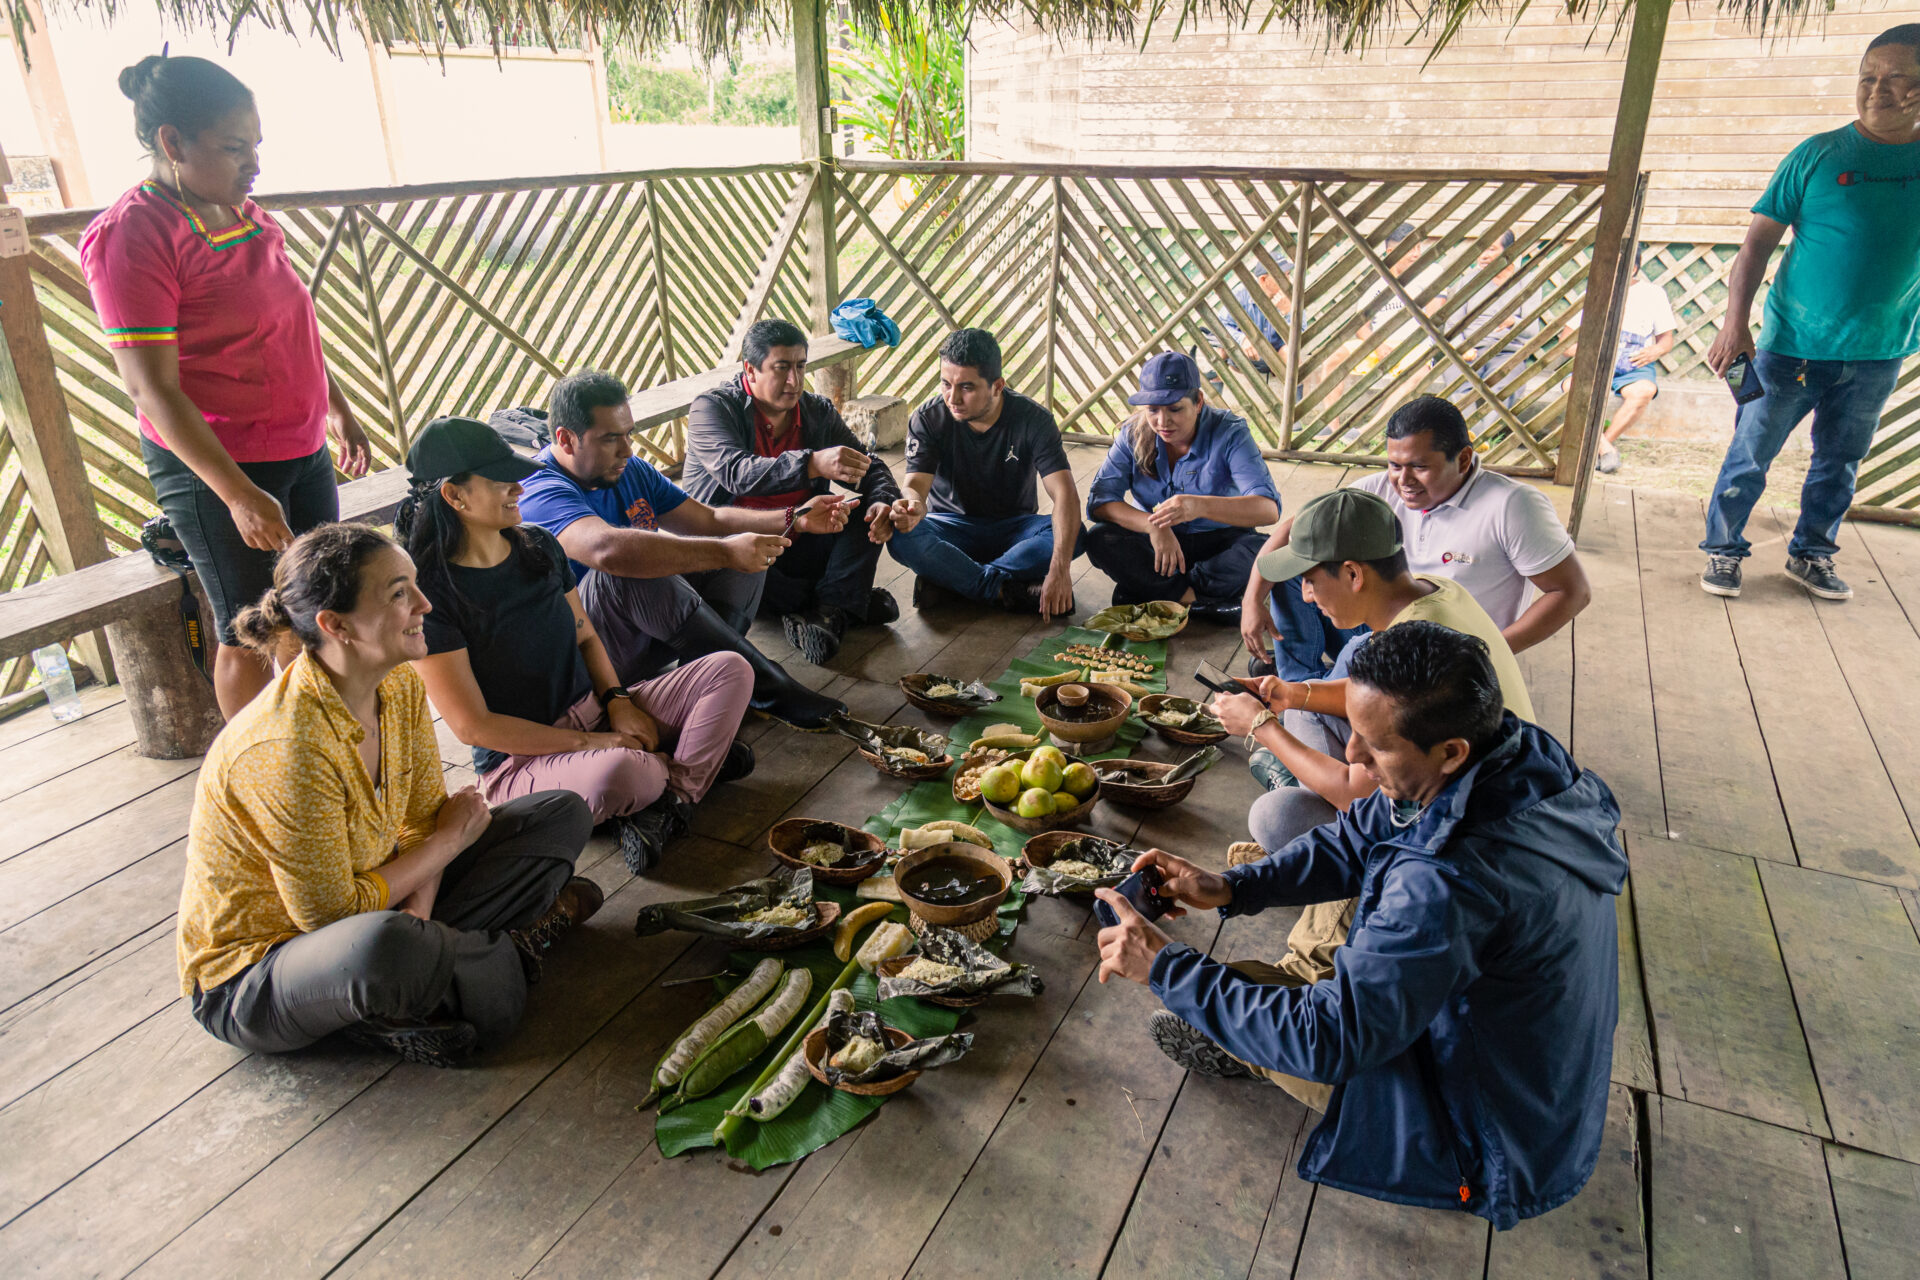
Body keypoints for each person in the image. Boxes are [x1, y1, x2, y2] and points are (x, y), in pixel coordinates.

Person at [1093, 621, 1626, 1230]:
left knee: (1250, 1011)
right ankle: (1268, 1006)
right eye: (1355, 731)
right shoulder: (1514, 754)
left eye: (1375, 746)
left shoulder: (1448, 881)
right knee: (1359, 880)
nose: (1352, 756)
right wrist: (1235, 887)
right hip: (1537, 1080)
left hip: (1488, 1141)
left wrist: (1168, 967)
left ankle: (1256, 1027)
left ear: (1449, 750)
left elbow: (1329, 1040)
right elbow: (1360, 834)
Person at [176, 522, 599, 1070]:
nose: (425, 603)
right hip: (264, 970)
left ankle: (443, 970)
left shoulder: (396, 684)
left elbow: (424, 823)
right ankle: (492, 957)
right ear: (336, 625)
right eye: (400, 593)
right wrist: (447, 847)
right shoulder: (287, 745)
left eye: (415, 585)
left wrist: (422, 914)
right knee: (393, 954)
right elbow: (329, 916)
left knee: (560, 812)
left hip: (383, 903)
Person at [81, 55, 373, 719]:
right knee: (251, 627)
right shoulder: (135, 235)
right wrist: (238, 494)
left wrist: (339, 408)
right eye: (235, 147)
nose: (254, 165)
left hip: (299, 444)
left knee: (319, 603)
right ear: (172, 143)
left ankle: (324, 749)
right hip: (219, 465)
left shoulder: (246, 215)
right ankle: (252, 776)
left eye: (256, 147)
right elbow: (150, 389)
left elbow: (289, 320)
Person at [398, 417, 756, 876]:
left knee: (730, 669)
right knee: (625, 772)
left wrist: (619, 702)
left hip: (596, 712)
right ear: (455, 496)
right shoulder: (433, 596)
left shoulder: (539, 547)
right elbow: (474, 728)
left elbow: (585, 634)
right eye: (501, 481)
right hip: (520, 761)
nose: (518, 489)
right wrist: (596, 742)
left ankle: (672, 800)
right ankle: (678, 769)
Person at [1213, 487, 1535, 986]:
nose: (1305, 596)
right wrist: (1289, 694)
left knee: (1278, 816)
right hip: (1474, 783)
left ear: (1353, 573)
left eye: (1309, 580)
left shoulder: (1415, 660)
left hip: (1457, 838)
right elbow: (1363, 695)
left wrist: (1260, 727)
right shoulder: (1434, 594)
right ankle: (1299, 854)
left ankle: (1312, 943)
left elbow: (1357, 797)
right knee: (1345, 668)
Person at [1700, 24, 1920, 603]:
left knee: (1840, 463)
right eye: (1868, 76)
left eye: (1897, 77)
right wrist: (1734, 322)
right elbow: (1755, 245)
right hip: (1788, 348)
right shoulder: (1818, 154)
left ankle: (1812, 555)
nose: (1877, 90)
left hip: (1879, 352)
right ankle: (1723, 551)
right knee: (1751, 451)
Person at [515, 370, 847, 729]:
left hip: (642, 640)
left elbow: (709, 520)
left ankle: (708, 681)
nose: (627, 449)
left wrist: (793, 518)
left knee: (748, 552)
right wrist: (723, 552)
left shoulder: (629, 469)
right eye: (611, 439)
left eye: (628, 434)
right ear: (566, 439)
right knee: (628, 570)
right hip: (584, 663)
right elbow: (606, 550)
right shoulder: (538, 488)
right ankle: (769, 687)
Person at [1242, 395, 1589, 677]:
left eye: (1420, 467)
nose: (1403, 480)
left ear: (1464, 459)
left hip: (1446, 654)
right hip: (1378, 627)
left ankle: (1312, 699)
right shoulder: (1379, 489)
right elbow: (1295, 531)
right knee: (1298, 570)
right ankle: (1300, 681)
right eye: (1394, 464)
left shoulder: (1512, 506)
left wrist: (1487, 651)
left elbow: (1571, 592)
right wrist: (1251, 601)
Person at [681, 319, 904, 664]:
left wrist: (882, 501)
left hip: (801, 539)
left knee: (862, 511)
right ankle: (842, 602)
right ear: (750, 371)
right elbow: (735, 473)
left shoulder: (816, 412)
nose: (794, 381)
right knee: (750, 564)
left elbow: (868, 466)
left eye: (801, 367)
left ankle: (831, 609)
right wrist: (811, 463)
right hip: (739, 550)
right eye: (781, 368)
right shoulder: (713, 409)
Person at [886, 328, 1084, 617]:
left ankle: (955, 581)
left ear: (997, 386)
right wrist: (912, 504)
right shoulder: (929, 418)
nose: (952, 398)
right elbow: (914, 484)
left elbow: (1065, 494)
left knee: (1075, 535)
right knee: (900, 534)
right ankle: (1002, 589)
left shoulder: (1034, 420)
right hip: (952, 529)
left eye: (967, 387)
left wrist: (1060, 570)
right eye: (945, 384)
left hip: (1016, 529)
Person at [1084, 353, 1279, 624]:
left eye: (1175, 409)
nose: (1163, 422)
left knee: (1266, 552)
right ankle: (1196, 602)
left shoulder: (1230, 432)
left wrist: (1197, 506)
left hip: (1219, 542)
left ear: (1198, 401)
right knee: (1099, 538)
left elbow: (1268, 510)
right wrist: (1153, 526)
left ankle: (1152, 590)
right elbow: (1101, 501)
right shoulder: (1132, 433)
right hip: (1159, 544)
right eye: (1153, 410)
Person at [1593, 246, 1677, 475]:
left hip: (1634, 367)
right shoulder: (1595, 289)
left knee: (1644, 391)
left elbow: (1666, 340)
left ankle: (1600, 447)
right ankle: (1604, 450)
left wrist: (1655, 351)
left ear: (1635, 267)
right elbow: (1568, 343)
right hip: (1595, 365)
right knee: (1572, 389)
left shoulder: (1653, 294)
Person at [1215, 259, 1292, 374]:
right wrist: (1242, 339)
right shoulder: (1241, 293)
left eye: (1288, 274)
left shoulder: (1292, 296)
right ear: (1263, 279)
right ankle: (1213, 385)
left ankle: (1296, 391)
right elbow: (1220, 324)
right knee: (1221, 349)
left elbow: (1300, 335)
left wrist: (1287, 312)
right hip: (1244, 354)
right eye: (1282, 276)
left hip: (1276, 356)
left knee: (1289, 353)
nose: (1289, 281)